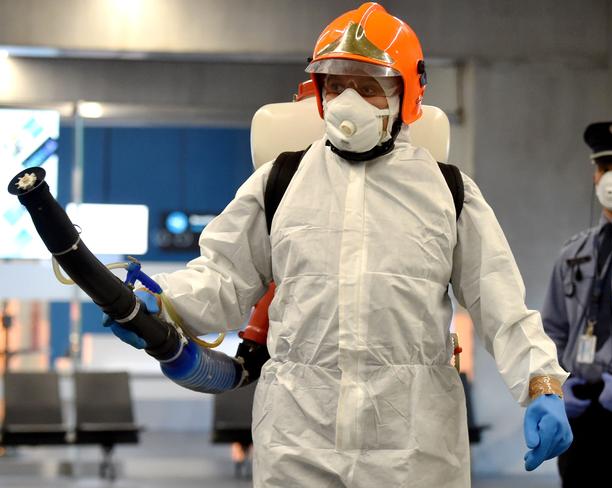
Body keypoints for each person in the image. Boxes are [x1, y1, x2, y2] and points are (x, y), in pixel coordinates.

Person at [106, 3, 571, 486]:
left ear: (405, 96)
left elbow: (502, 306)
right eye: (336, 84)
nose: (349, 100)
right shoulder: (281, 182)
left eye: (368, 87)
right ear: (319, 94)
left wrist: (542, 385)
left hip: (413, 448)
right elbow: (223, 278)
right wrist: (160, 301)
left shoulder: (448, 192)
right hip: (297, 442)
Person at [542, 121, 612, 487]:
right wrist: (557, 385)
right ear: (594, 176)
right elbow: (552, 327)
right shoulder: (574, 251)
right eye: (605, 169)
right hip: (578, 403)